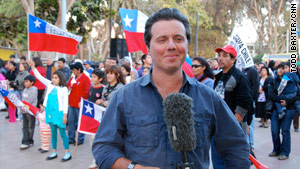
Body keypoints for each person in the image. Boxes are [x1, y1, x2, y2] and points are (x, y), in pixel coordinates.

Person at [92, 8, 250, 169]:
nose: (171, 46)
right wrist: (135, 168)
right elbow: (103, 149)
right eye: (162, 40)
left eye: (178, 39)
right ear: (148, 48)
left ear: (186, 44)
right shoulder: (124, 97)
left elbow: (236, 147)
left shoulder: (208, 97)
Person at [213, 44, 252, 169]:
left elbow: (244, 103)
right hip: (218, 128)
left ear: (233, 59)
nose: (220, 58)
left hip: (233, 129)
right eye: (219, 55)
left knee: (234, 163)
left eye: (225, 56)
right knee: (218, 162)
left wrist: (233, 124)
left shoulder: (240, 77)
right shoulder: (218, 77)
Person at [30, 61, 71, 162]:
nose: (53, 79)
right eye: (53, 77)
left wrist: (65, 115)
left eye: (56, 78)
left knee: (62, 133)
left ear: (60, 79)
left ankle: (67, 152)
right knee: (53, 132)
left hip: (59, 113)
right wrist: (33, 67)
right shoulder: (50, 85)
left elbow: (65, 103)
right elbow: (40, 77)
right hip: (50, 113)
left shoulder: (64, 89)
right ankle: (54, 151)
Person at [268, 63, 298, 160]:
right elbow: (271, 95)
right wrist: (281, 100)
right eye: (280, 68)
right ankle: (276, 149)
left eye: (283, 68)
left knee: (285, 131)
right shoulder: (273, 80)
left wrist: (287, 101)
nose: (281, 70)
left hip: (289, 108)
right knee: (274, 131)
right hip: (276, 109)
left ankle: (285, 152)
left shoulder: (292, 79)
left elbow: (297, 95)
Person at [67, 62, 91, 145]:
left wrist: (82, 101)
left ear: (79, 69)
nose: (73, 72)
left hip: (79, 103)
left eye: (74, 70)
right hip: (71, 103)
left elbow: (87, 91)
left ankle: (80, 139)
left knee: (80, 122)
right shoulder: (73, 78)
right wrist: (69, 87)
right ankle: (70, 138)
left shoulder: (85, 79)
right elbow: (68, 86)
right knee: (70, 121)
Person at [87, 69, 105, 169]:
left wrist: (102, 100)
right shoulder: (91, 88)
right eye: (92, 76)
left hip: (101, 118)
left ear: (100, 79)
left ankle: (101, 159)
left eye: (94, 77)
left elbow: (106, 100)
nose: (92, 79)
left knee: (99, 139)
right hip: (92, 117)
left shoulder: (103, 89)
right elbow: (89, 101)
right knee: (92, 139)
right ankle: (95, 160)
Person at [19, 75, 37, 150]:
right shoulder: (24, 90)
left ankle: (29, 140)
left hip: (31, 111)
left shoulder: (34, 90)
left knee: (30, 127)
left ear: (32, 82)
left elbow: (31, 101)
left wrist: (26, 107)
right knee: (24, 127)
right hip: (24, 111)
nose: (25, 83)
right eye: (25, 82)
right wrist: (21, 107)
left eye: (27, 82)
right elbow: (23, 99)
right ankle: (25, 141)